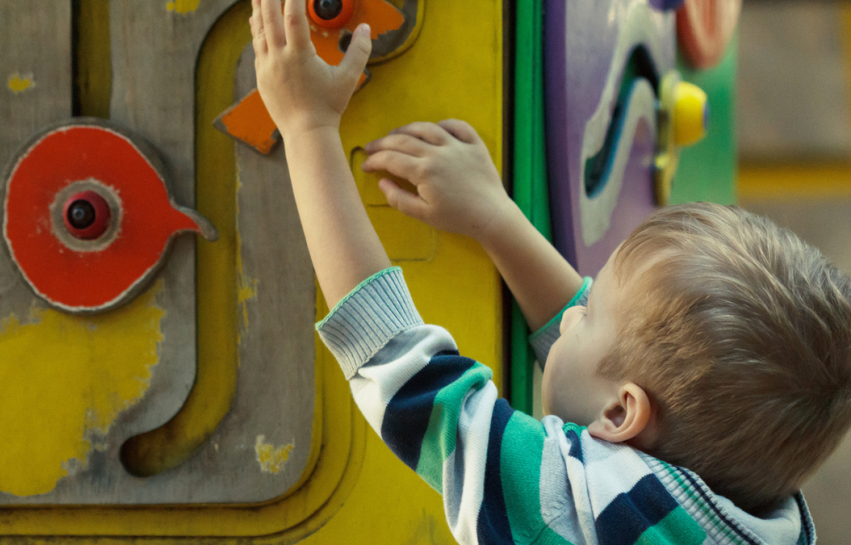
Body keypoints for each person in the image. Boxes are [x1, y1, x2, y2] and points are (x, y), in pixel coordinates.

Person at [248, 0, 851, 542]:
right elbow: (619, 359)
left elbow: (402, 369)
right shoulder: (764, 515)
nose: (567, 316)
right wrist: (496, 218)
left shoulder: (570, 514)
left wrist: (308, 127)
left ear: (621, 415)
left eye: (586, 318)